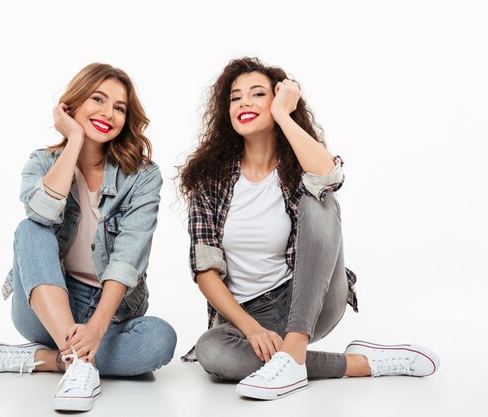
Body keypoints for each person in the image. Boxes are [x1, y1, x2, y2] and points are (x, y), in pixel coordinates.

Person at [177, 57, 439, 400]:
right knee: (212, 351)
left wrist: (284, 116)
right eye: (235, 97)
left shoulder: (297, 167)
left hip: (310, 300)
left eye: (257, 94)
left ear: (278, 101)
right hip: (249, 315)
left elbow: (330, 176)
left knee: (321, 199)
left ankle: (295, 349)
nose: (244, 103)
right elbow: (205, 270)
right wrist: (251, 328)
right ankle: (359, 363)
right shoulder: (209, 180)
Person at [0, 63, 177, 411]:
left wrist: (95, 329)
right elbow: (40, 216)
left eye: (120, 108)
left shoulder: (142, 176)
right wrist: (75, 141)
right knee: (30, 229)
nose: (108, 113)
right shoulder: (42, 161)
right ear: (73, 104)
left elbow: (129, 258)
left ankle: (47, 359)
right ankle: (79, 365)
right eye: (98, 99)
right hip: (46, 304)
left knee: (160, 340)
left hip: (109, 311)